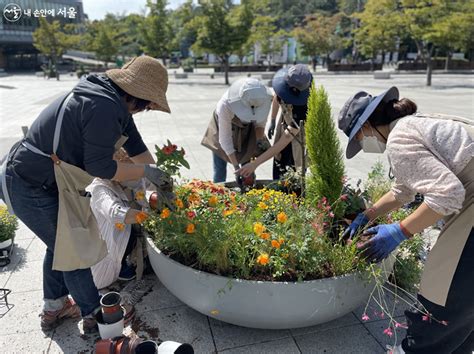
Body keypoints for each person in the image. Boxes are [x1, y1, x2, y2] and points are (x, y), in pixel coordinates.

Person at [0, 56, 173, 333]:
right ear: (136, 96)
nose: (145, 110)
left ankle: (55, 306)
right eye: (147, 104)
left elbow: (140, 153)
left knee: (59, 243)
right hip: (25, 182)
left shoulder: (115, 103)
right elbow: (100, 167)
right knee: (73, 248)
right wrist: (145, 174)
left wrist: (159, 179)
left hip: (46, 181)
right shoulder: (103, 105)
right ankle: (95, 313)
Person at [338, 86, 473, 354]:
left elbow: (448, 194)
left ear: (366, 127)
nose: (363, 145)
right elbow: (404, 189)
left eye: (359, 138)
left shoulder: (400, 138)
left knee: (443, 286)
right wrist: (368, 214)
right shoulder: (411, 124)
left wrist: (400, 231)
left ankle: (417, 349)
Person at [236, 64, 312, 179]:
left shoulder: (304, 107)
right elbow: (278, 95)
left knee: (293, 173)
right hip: (285, 124)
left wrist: (255, 164)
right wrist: (273, 119)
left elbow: (286, 138)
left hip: (297, 137)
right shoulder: (290, 82)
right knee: (278, 162)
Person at [201, 78, 273, 183]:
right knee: (220, 169)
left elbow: (260, 128)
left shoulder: (263, 99)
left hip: (248, 128)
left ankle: (249, 188)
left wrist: (253, 161)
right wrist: (236, 168)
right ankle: (218, 193)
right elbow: (225, 140)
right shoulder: (225, 104)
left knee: (247, 170)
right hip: (222, 126)